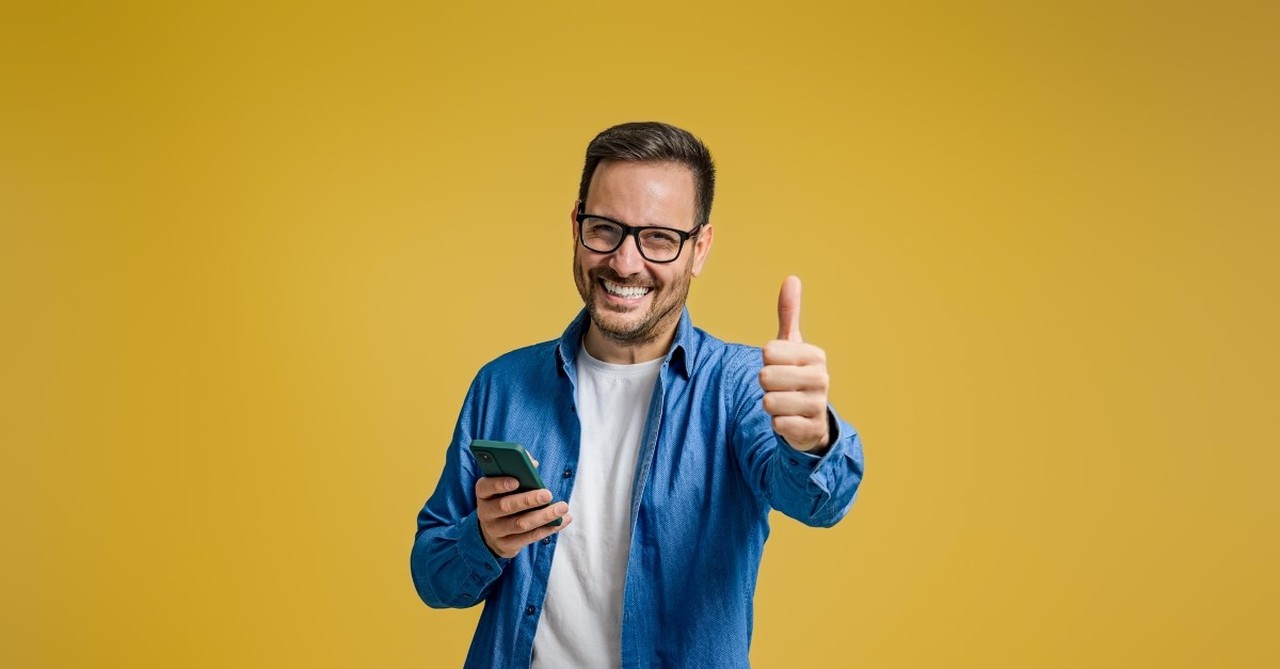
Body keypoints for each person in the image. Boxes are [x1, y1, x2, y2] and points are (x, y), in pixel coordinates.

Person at [410, 121, 865, 668]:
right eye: (605, 229)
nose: (625, 263)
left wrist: (814, 439)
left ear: (699, 249)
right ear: (576, 225)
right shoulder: (502, 385)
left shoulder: (742, 387)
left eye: (658, 238)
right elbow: (433, 577)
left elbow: (820, 503)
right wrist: (484, 540)